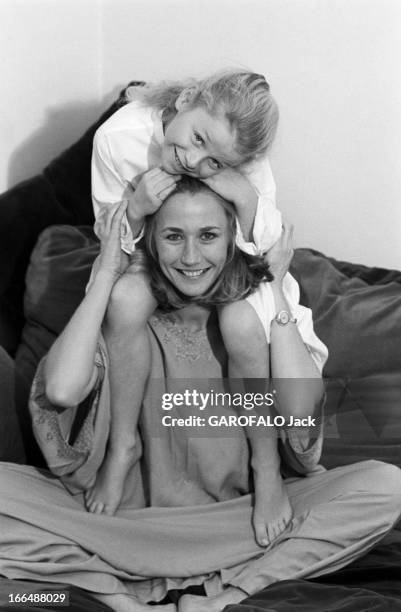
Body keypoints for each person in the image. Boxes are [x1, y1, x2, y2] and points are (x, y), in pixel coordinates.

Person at [0, 179, 400, 612]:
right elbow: (59, 391)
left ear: (233, 241)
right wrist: (106, 275)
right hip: (121, 525)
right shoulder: (127, 310)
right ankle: (113, 594)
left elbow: (302, 424)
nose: (191, 257)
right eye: (174, 236)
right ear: (151, 242)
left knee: (386, 487)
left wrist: (278, 289)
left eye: (208, 236)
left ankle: (226, 595)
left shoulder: (251, 320)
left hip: (243, 524)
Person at [88, 69, 297, 547]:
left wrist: (240, 191)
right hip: (146, 255)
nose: (193, 160)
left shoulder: (242, 160)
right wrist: (136, 207)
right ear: (185, 100)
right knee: (124, 300)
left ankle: (266, 466)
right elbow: (108, 235)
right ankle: (123, 445)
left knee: (242, 323)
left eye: (214, 162)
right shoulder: (118, 138)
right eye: (197, 137)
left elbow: (268, 246)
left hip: (229, 261)